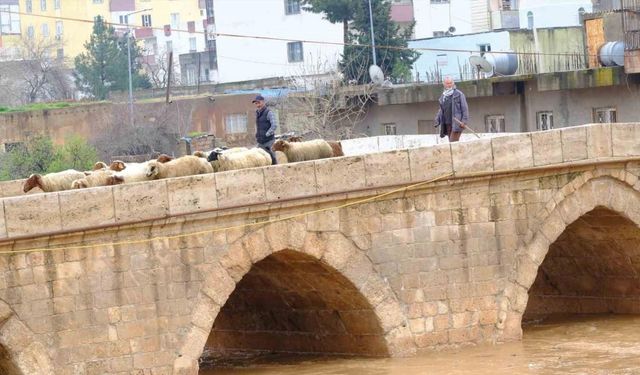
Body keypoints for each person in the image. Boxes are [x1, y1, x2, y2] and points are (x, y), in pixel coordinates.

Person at [435, 76, 469, 142]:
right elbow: (441, 110)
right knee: (451, 144)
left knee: (452, 143)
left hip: (457, 123)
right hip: (447, 123)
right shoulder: (443, 96)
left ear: (453, 83)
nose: (449, 85)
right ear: (444, 84)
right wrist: (437, 120)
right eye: (447, 83)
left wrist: (464, 121)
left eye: (450, 83)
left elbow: (465, 109)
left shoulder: (459, 94)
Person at [252, 94, 277, 165]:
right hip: (260, 141)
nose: (257, 105)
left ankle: (276, 172)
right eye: (256, 103)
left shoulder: (269, 112)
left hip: (269, 141)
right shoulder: (257, 113)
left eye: (259, 103)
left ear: (263, 102)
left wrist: (267, 134)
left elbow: (274, 125)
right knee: (258, 157)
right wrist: (257, 134)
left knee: (272, 157)